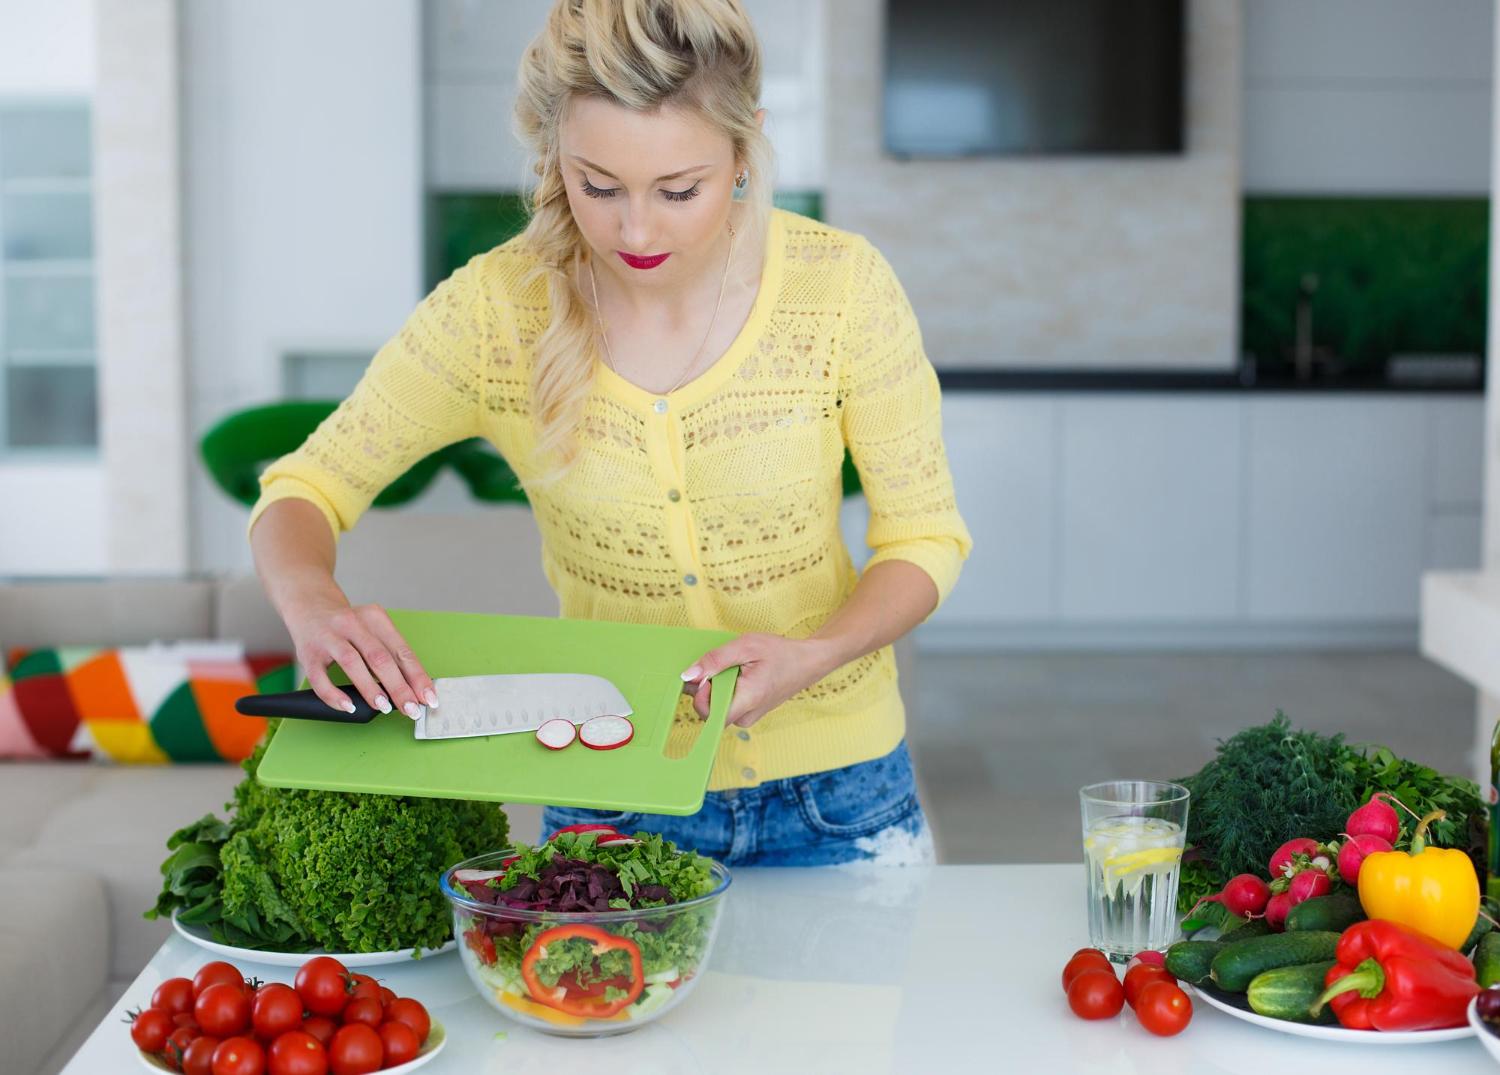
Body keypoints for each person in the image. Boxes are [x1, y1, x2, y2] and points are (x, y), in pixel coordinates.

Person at [248, 0, 971, 866]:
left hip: (841, 795)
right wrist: (312, 604)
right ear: (556, 156)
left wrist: (813, 654)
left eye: (678, 190)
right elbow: (305, 487)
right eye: (599, 186)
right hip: (610, 803)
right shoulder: (494, 312)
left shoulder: (841, 289)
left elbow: (924, 538)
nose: (635, 230)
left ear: (745, 151)